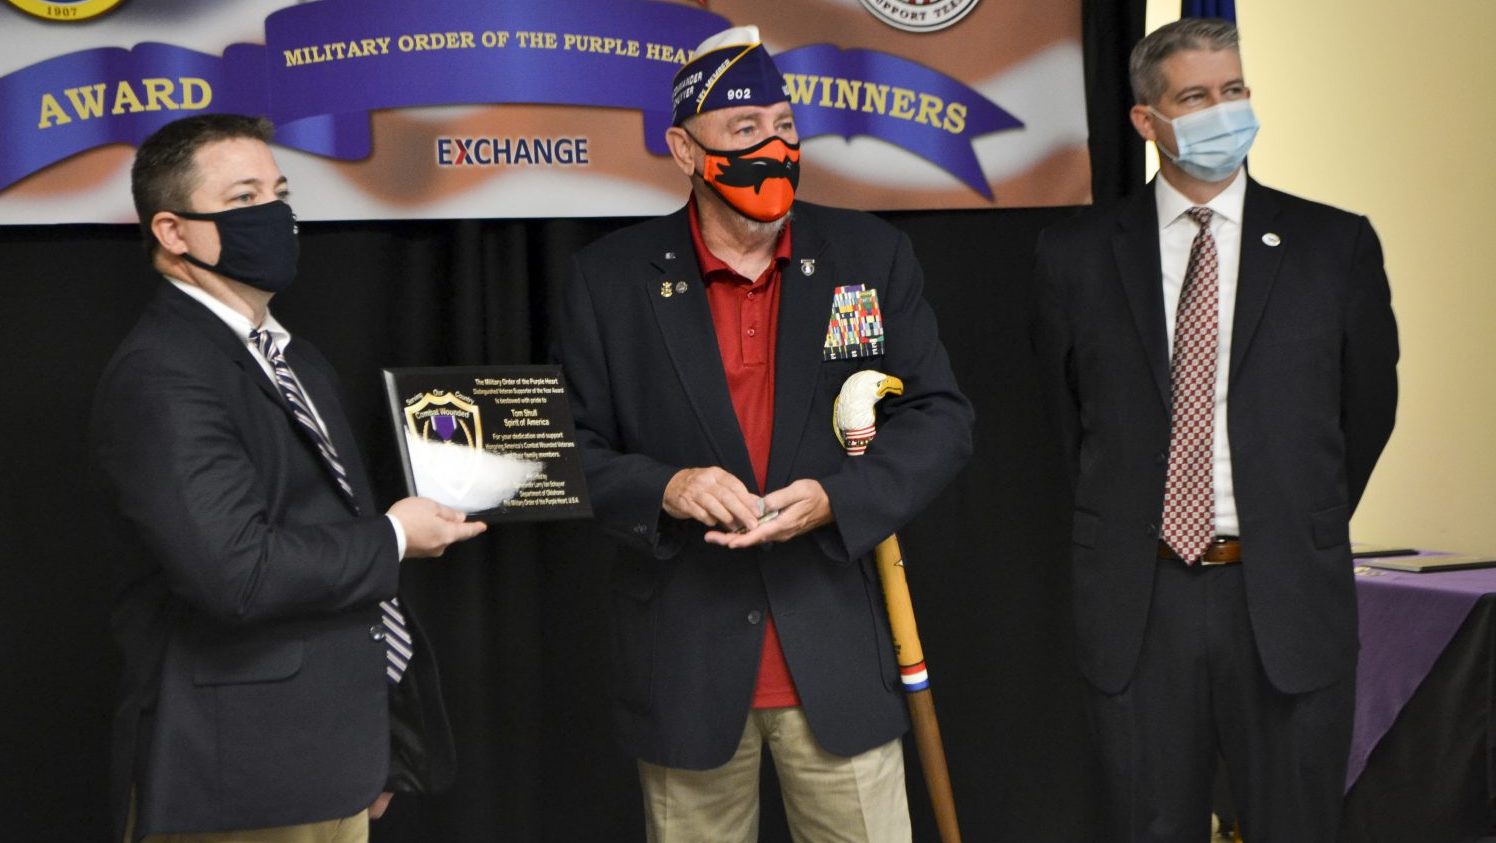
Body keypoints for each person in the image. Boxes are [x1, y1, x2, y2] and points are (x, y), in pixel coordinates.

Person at [551, 25, 973, 843]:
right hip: (686, 669)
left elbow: (942, 416)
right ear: (683, 147)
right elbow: (569, 449)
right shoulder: (608, 279)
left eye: (785, 126)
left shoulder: (869, 254)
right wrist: (665, 488)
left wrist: (839, 498)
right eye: (746, 132)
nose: (774, 148)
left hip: (840, 661)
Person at [1031, 17, 1399, 843]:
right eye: (1194, 97)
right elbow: (1064, 423)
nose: (1221, 111)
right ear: (1146, 120)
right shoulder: (1077, 254)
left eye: (1233, 91)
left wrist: (1295, 518)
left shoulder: (1332, 246)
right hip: (1140, 596)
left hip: (1284, 598)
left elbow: (1365, 411)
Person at [92, 113, 487, 842]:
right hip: (242, 777)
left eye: (279, 192)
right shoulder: (162, 374)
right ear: (174, 232)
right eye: (244, 200)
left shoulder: (295, 359)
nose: (275, 215)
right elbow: (236, 573)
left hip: (333, 755)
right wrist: (396, 535)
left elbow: (328, 539)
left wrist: (376, 743)